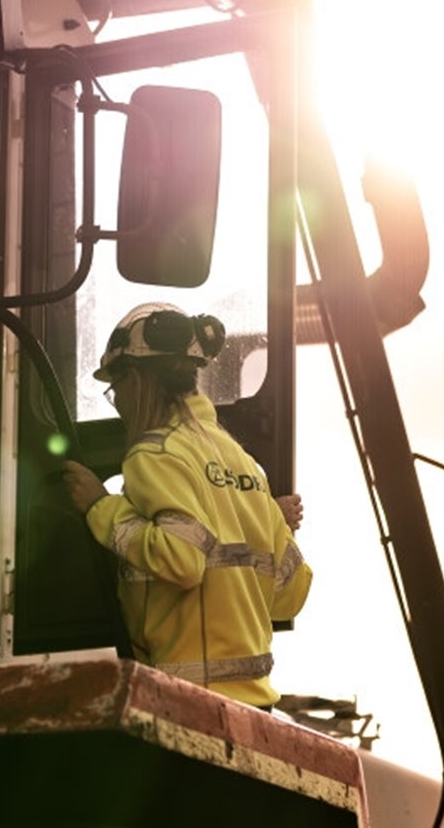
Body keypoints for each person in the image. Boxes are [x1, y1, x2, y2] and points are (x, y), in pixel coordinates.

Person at [63, 302, 313, 710]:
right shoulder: (242, 463)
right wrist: (271, 523)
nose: (118, 402)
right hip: (254, 708)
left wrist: (99, 507)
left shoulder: (155, 453)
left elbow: (183, 560)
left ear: (136, 379)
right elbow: (290, 593)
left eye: (116, 388)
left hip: (187, 704)